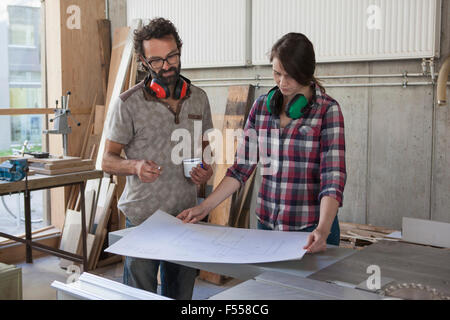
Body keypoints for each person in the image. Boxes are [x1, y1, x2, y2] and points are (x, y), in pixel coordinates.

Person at [177, 33, 346, 254]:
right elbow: (241, 169)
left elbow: (333, 177)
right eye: (277, 73)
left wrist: (322, 230)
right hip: (268, 227)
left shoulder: (327, 110)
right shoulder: (262, 108)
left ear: (306, 74)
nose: (282, 83)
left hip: (311, 230)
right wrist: (204, 207)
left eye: (290, 76)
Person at [102, 17, 214, 299]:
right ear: (143, 62)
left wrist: (205, 169)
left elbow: (204, 151)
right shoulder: (128, 104)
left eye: (172, 56)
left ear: (179, 50)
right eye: (156, 61)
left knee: (182, 296)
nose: (166, 66)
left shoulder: (199, 98)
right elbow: (106, 160)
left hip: (185, 218)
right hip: (142, 220)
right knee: (140, 297)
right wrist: (135, 165)